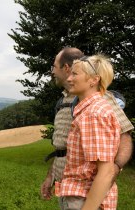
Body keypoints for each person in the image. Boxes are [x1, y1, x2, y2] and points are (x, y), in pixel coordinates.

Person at [40, 48, 134, 204]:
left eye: (54, 67)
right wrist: (51, 176)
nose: (52, 72)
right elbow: (63, 148)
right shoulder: (65, 99)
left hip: (86, 190)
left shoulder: (98, 101)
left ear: (66, 67)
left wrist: (112, 170)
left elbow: (124, 135)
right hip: (67, 184)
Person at [56, 54, 123, 209]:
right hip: (80, 197)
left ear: (94, 80)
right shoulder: (90, 110)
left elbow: (106, 172)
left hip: (83, 200)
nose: (69, 79)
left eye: (75, 74)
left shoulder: (93, 114)